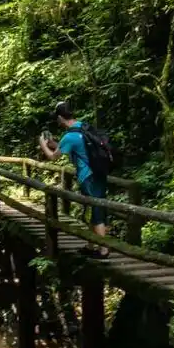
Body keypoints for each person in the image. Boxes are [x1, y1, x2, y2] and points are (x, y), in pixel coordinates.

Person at [38, 101, 109, 258]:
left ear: (60, 118)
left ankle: (103, 250)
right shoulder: (84, 127)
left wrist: (43, 145)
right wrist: (53, 143)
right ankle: (91, 245)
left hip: (87, 176)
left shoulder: (69, 136)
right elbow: (74, 149)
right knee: (96, 207)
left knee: (96, 210)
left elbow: (52, 157)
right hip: (99, 173)